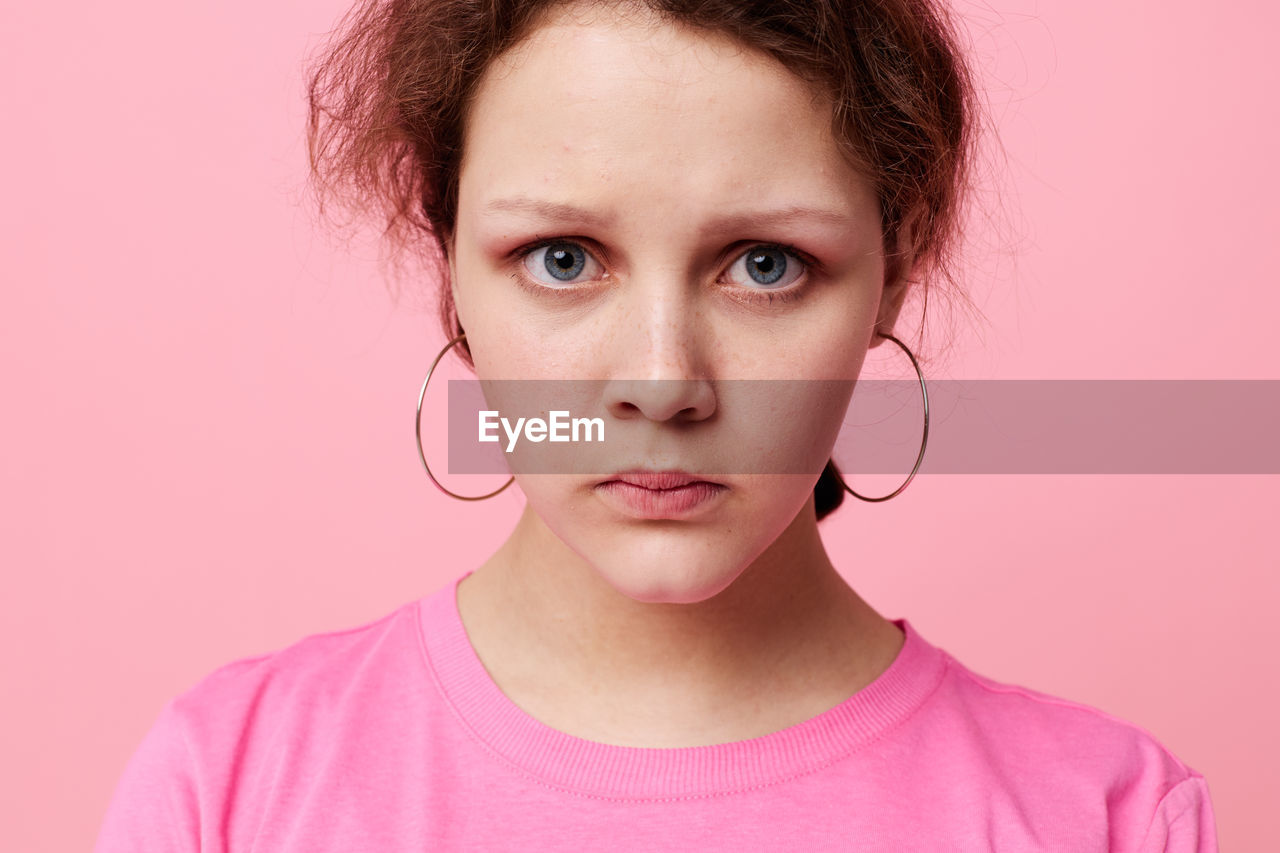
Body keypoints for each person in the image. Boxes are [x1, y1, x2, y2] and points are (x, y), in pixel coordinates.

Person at [93, 0, 1220, 849]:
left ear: (895, 263)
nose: (660, 381)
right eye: (562, 259)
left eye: (764, 266)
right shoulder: (230, 785)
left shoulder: (1108, 814)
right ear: (448, 262)